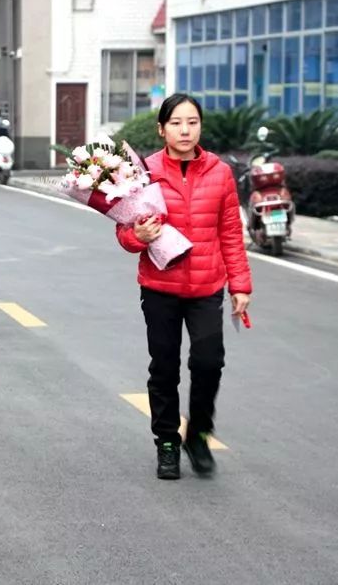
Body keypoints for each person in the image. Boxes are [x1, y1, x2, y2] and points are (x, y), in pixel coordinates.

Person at [116, 93, 252, 481]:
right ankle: (167, 443)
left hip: (207, 285)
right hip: (160, 285)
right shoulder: (144, 172)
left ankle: (199, 434)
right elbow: (124, 233)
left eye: (192, 122)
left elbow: (230, 232)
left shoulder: (220, 172)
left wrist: (240, 285)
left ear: (200, 127)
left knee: (209, 363)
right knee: (164, 368)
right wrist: (138, 235)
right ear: (161, 129)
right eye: (176, 122)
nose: (185, 129)